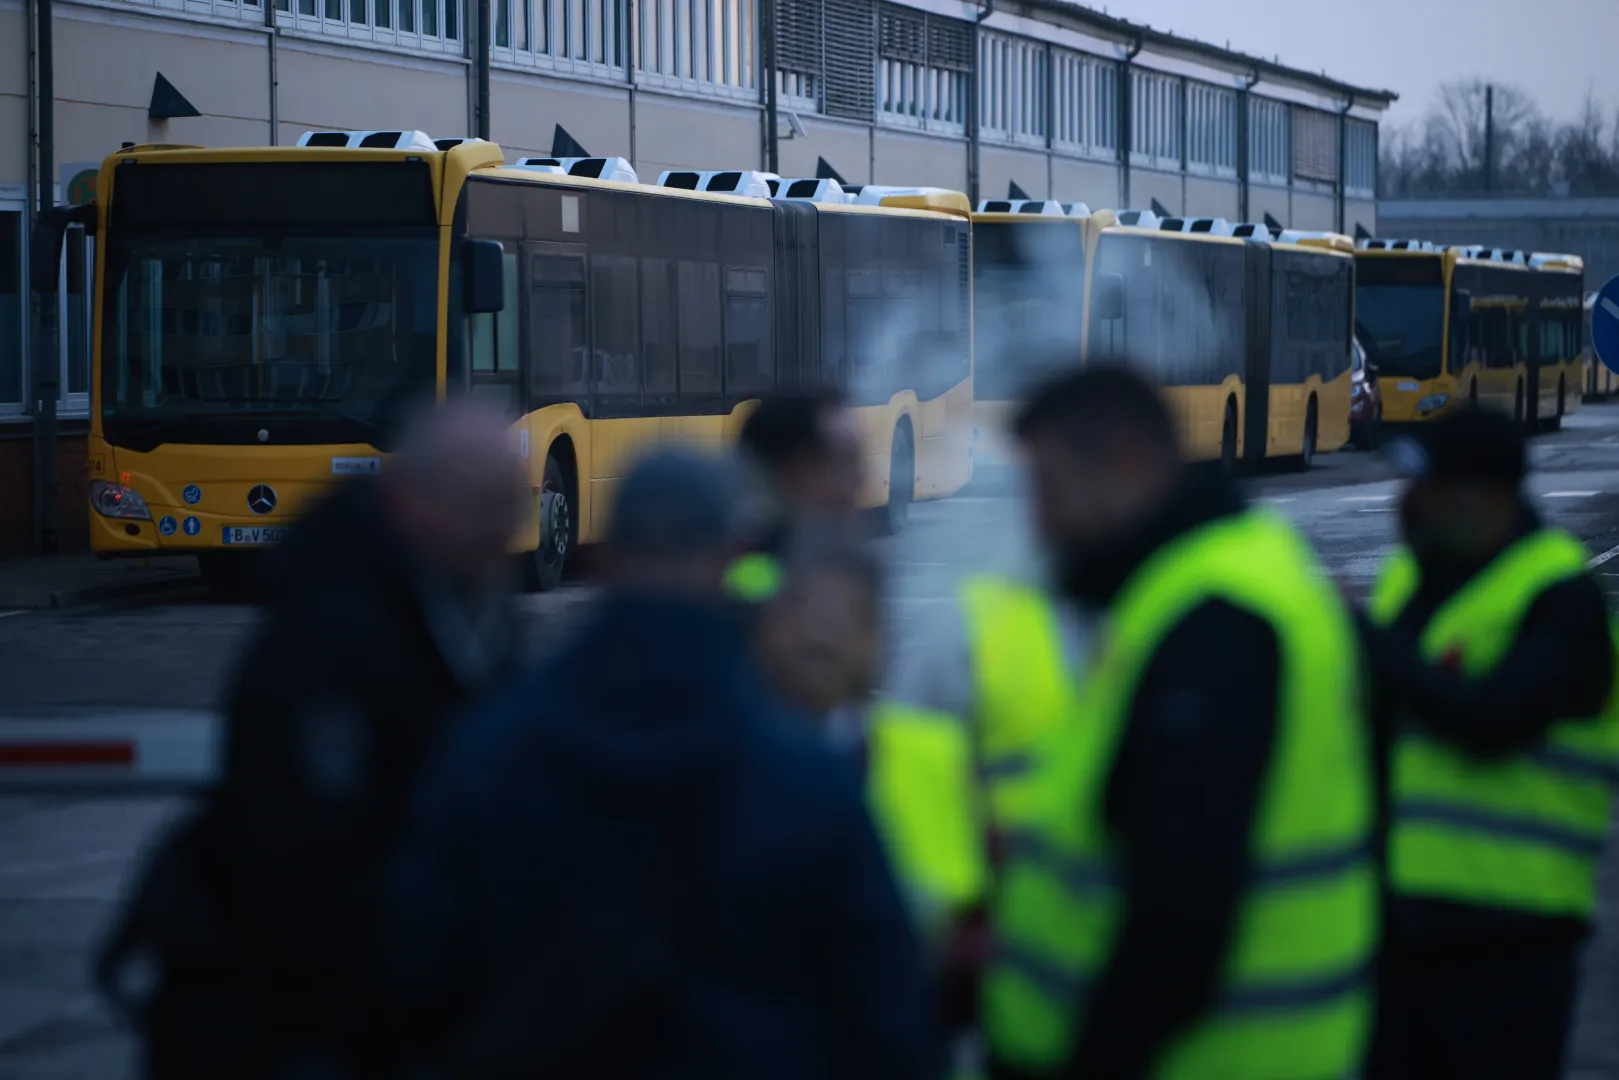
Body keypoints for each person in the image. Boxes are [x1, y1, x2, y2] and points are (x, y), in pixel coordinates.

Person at [387, 447, 939, 1080]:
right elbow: (885, 1017)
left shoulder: (494, 747)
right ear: (732, 559)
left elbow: (419, 970)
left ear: (602, 558)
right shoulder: (806, 774)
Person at [96, 398, 529, 1080]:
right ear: (416, 502)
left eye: (512, 506)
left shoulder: (465, 603)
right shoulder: (329, 639)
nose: (507, 530)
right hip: (315, 1025)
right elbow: (306, 870)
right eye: (488, 506)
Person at [981, 367, 1377, 1080]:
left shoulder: (1213, 619)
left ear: (1130, 466)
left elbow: (1180, 926)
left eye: (1049, 490)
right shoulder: (1229, 573)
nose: (1039, 523)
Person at [1361, 409, 1619, 1080]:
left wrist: (1372, 650)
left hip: (1513, 937)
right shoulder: (1409, 579)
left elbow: (1496, 716)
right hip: (1399, 930)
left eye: (1425, 485)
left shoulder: (1560, 597)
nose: (1406, 501)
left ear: (1485, 496)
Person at [728, 387, 866, 601]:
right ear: (793, 473)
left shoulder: (844, 565)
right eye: (845, 465)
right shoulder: (751, 583)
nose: (861, 480)